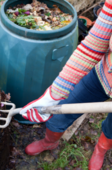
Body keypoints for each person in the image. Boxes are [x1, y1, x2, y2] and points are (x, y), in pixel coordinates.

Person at [19, 0, 112, 169]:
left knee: (111, 130)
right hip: (103, 76)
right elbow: (93, 47)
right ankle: (49, 142)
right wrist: (53, 94)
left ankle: (100, 149)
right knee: (60, 114)